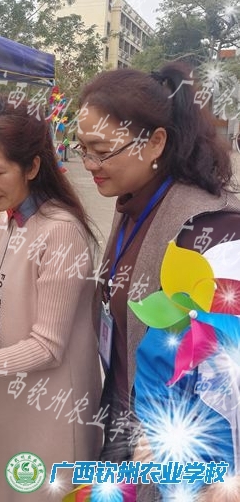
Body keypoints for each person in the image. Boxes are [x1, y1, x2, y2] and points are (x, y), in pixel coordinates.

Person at [77, 62, 240, 501]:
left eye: (100, 150)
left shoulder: (212, 229)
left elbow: (227, 380)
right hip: (121, 417)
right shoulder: (133, 202)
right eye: (82, 149)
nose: (89, 163)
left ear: (155, 143)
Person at [0, 96, 103, 501]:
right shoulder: (11, 219)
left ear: (32, 167)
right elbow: (10, 291)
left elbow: (47, 346)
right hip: (12, 393)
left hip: (51, 406)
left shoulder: (60, 231)